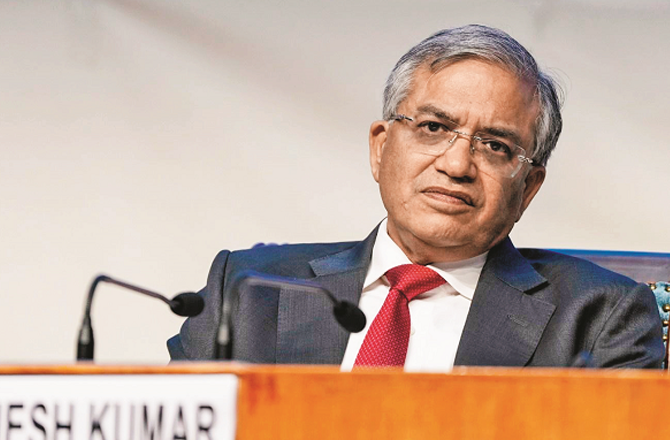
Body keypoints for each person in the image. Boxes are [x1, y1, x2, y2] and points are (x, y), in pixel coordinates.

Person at [168, 24, 663, 369]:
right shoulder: (248, 289)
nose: (456, 165)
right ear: (381, 148)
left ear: (528, 189)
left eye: (495, 146)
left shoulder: (600, 316)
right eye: (433, 127)